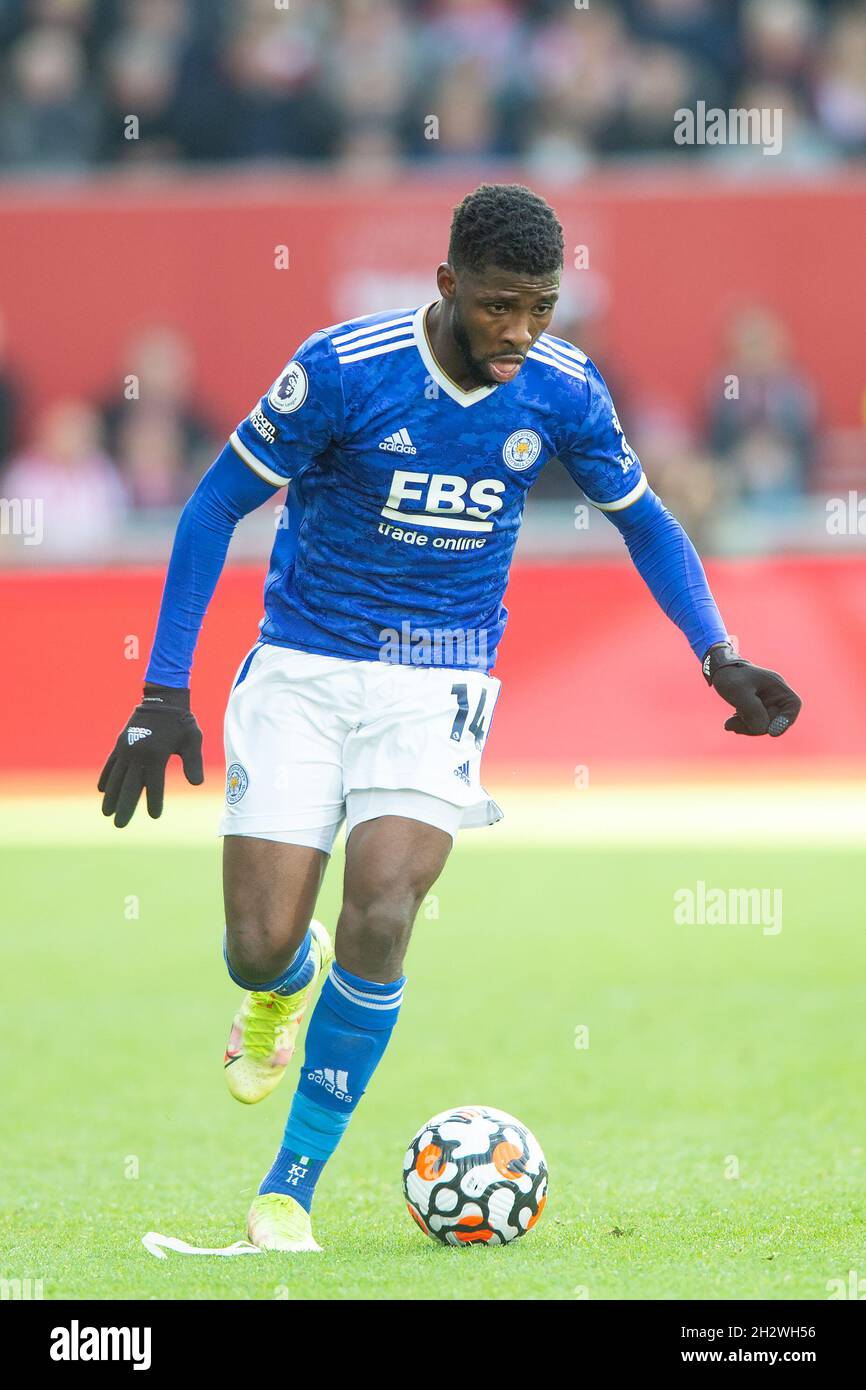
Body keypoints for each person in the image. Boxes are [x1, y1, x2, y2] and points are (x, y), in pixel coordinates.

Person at [98, 184, 801, 1252]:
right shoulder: (342, 370)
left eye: (540, 305)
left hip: (439, 681)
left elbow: (643, 519)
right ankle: (280, 987)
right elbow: (212, 506)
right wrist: (162, 693)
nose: (519, 332)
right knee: (256, 942)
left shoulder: (562, 389)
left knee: (385, 904)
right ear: (446, 286)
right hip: (303, 668)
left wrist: (718, 651)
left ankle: (288, 1187)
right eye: (497, 306)